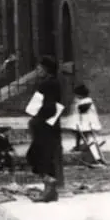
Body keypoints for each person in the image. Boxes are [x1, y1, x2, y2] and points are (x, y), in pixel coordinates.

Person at [25, 56, 63, 202]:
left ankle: (49, 190)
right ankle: (51, 191)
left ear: (46, 70)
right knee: (46, 157)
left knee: (37, 156)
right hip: (50, 126)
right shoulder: (54, 83)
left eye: (39, 68)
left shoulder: (46, 84)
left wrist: (36, 119)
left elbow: (49, 107)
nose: (37, 71)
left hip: (44, 126)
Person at [66, 84, 104, 166]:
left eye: (77, 95)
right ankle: (78, 146)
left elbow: (81, 109)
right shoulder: (84, 101)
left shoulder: (86, 101)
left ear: (80, 95)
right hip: (82, 122)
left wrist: (77, 104)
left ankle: (92, 153)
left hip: (87, 122)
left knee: (86, 136)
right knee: (79, 134)